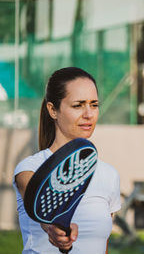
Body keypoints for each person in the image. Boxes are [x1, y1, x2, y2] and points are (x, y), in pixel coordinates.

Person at [13, 67, 121, 253]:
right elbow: (41, 210)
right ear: (53, 110)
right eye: (78, 105)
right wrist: (54, 229)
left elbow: (103, 247)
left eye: (94, 104)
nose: (88, 114)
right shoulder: (29, 168)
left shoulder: (109, 175)